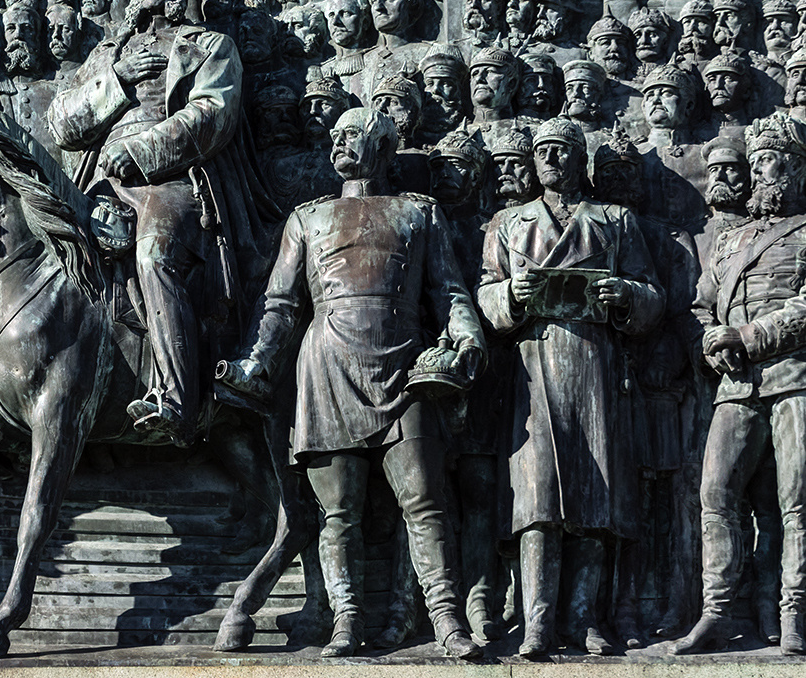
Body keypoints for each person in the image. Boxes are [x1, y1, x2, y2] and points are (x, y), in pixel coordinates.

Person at [219, 108, 483, 659]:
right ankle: (346, 620)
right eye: (334, 136)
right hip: (328, 367)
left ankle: (447, 619)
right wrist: (254, 361)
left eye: (353, 135)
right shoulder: (308, 219)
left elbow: (450, 291)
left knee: (425, 500)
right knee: (338, 512)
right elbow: (281, 304)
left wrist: (467, 337)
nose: (338, 142)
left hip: (405, 366)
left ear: (384, 147)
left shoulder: (418, 212)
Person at [479, 116, 664, 657]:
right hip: (532, 369)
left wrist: (625, 294)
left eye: (563, 150)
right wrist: (511, 293)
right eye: (544, 152)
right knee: (537, 495)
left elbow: (654, 296)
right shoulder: (509, 222)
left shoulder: (615, 220)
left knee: (593, 495)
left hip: (596, 366)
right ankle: (537, 620)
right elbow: (484, 297)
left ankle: (584, 616)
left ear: (581, 159)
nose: (552, 161)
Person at [49, 0, 243, 445]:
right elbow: (61, 124)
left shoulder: (209, 46)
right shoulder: (107, 54)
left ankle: (174, 398)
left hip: (171, 180)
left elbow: (211, 115)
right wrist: (115, 80)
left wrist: (142, 150)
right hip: (97, 183)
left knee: (154, 252)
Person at [675, 112, 806, 655]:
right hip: (737, 388)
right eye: (753, 163)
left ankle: (796, 611)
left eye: (770, 161)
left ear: (796, 170)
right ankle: (719, 611)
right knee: (716, 493)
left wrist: (747, 336)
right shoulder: (733, 242)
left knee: (798, 499)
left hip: (795, 381)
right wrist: (711, 340)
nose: (758, 172)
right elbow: (700, 305)